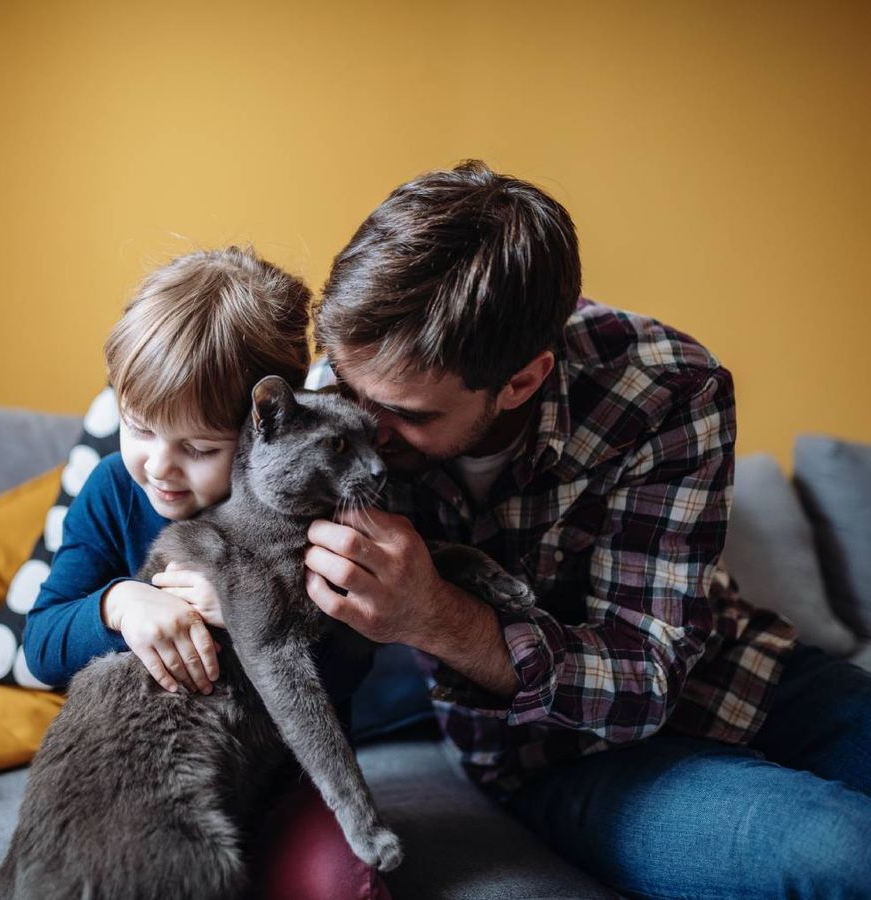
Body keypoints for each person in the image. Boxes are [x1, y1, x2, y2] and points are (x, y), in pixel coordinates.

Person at [303, 160, 871, 898]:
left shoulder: (669, 389)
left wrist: (437, 616)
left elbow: (647, 670)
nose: (365, 432)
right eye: (349, 390)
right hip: (555, 754)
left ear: (523, 380)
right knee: (844, 852)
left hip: (744, 675)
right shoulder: (324, 410)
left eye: (409, 415)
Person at [23, 246, 391, 900]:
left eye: (197, 449)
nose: (159, 466)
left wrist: (260, 624)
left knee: (343, 886)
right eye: (138, 429)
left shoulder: (309, 500)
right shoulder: (112, 489)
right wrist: (121, 605)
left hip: (285, 775)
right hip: (150, 773)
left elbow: (351, 667)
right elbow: (42, 644)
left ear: (262, 431)